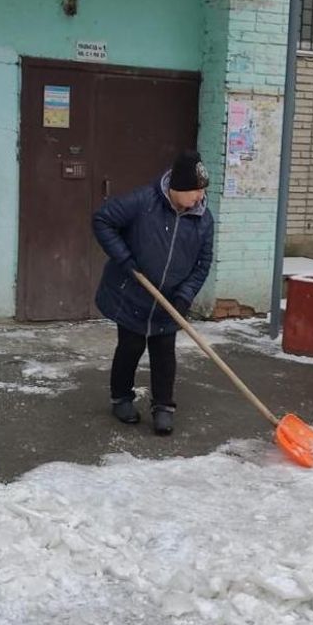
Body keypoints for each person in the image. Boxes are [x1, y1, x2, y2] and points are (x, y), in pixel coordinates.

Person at [92, 149, 214, 435]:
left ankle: (163, 407)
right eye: (195, 191)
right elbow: (102, 220)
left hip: (169, 300)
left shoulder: (203, 219)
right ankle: (121, 399)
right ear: (176, 188)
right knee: (131, 347)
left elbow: (202, 263)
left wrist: (185, 295)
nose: (200, 197)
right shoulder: (143, 201)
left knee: (164, 352)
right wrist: (125, 259)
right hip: (133, 292)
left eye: (202, 190)